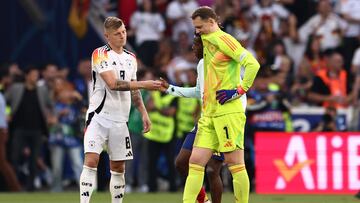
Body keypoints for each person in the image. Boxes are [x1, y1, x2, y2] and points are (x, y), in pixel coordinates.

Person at [79, 16, 162, 203]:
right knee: (91, 161)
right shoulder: (100, 54)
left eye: (124, 31)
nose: (122, 36)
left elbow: (134, 90)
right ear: (107, 36)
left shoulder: (131, 58)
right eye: (117, 34)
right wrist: (145, 83)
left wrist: (143, 112)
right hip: (99, 116)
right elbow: (113, 84)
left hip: (120, 119)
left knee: (118, 167)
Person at [182, 6, 260, 203]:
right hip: (209, 114)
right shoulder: (207, 40)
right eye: (195, 27)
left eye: (199, 26)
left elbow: (252, 64)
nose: (197, 31)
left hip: (227, 113)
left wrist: (239, 91)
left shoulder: (225, 40)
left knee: (235, 164)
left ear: (211, 22)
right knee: (195, 162)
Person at [160, 35, 222, 203]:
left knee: (212, 170)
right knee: (181, 163)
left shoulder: (223, 63)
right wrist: (170, 89)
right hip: (205, 121)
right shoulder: (201, 65)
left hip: (222, 121)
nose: (193, 48)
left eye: (195, 44)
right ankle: (203, 200)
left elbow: (239, 91)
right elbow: (198, 91)